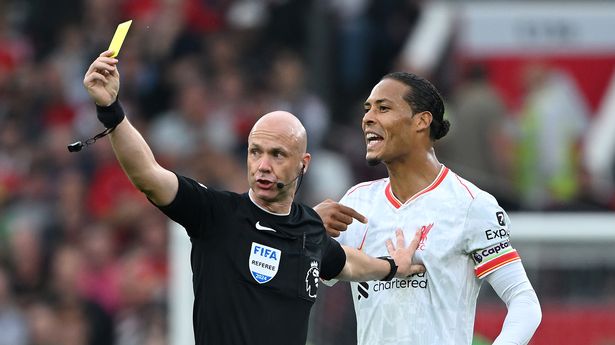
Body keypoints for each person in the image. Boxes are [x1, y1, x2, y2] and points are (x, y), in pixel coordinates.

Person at [82, 50, 425, 345]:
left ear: (303, 163)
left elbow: (346, 262)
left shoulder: (309, 229)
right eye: (255, 152)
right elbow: (149, 176)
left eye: (277, 155)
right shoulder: (216, 215)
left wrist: (393, 266)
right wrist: (111, 110)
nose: (263, 166)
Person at [315, 72, 542, 345]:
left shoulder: (470, 204)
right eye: (367, 109)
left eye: (383, 108)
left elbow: (524, 302)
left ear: (421, 121)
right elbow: (306, 275)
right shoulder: (357, 202)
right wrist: (309, 229)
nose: (368, 118)